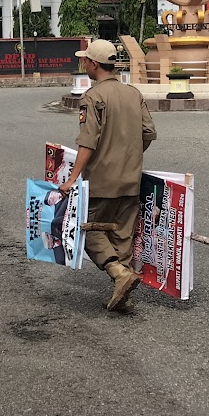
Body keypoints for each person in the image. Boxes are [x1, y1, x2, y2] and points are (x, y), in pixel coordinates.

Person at [56, 39, 157, 313]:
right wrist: (130, 155)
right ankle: (122, 289)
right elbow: (149, 133)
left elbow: (87, 142)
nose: (84, 63)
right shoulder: (133, 93)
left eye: (85, 60)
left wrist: (71, 178)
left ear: (94, 64)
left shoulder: (93, 97)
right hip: (130, 180)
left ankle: (118, 273)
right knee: (122, 237)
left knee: (84, 228)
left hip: (101, 181)